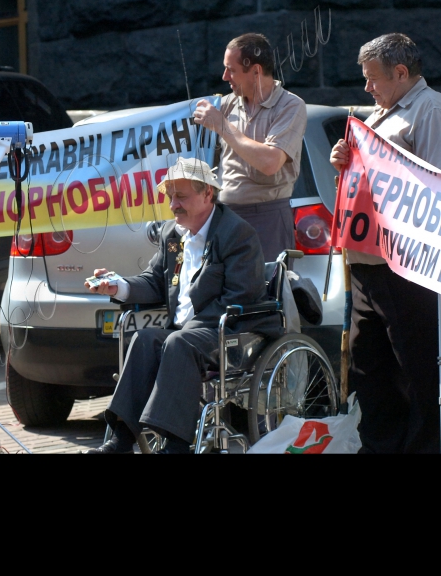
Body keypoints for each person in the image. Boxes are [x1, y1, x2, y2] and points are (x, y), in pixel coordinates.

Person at [82, 157, 282, 454]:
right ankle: (121, 440)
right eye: (170, 196)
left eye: (182, 196)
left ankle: (176, 445)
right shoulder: (171, 235)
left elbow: (241, 296)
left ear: (207, 195)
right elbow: (154, 280)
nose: (173, 204)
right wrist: (119, 286)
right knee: (145, 339)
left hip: (232, 331)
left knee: (178, 341)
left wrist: (193, 326)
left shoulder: (235, 233)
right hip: (187, 334)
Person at [330, 33, 441, 454]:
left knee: (414, 368)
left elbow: (431, 186)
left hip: (403, 266)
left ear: (400, 73)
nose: (366, 87)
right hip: (366, 263)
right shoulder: (378, 113)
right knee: (369, 369)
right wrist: (344, 160)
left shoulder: (429, 111)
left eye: (372, 78)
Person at [192, 33, 307, 263]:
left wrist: (222, 126)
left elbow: (270, 162)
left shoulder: (290, 106)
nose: (225, 77)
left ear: (255, 72)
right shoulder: (225, 104)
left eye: (231, 70)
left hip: (267, 219)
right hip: (223, 217)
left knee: (265, 293)